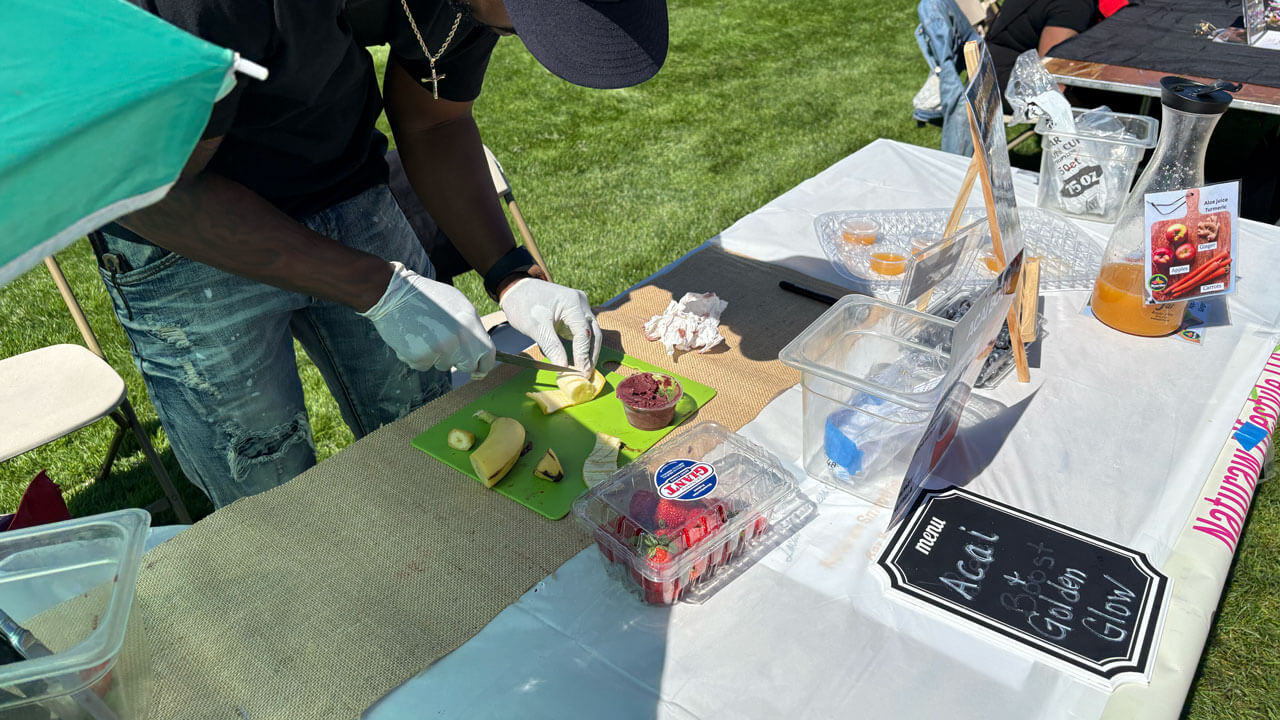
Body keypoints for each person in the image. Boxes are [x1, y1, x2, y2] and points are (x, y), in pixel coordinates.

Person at [94, 0, 668, 507]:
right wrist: (377, 287)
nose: (514, 32)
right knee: (267, 494)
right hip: (184, 239)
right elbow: (141, 186)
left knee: (429, 430)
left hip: (343, 184)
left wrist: (511, 274)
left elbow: (435, 122)